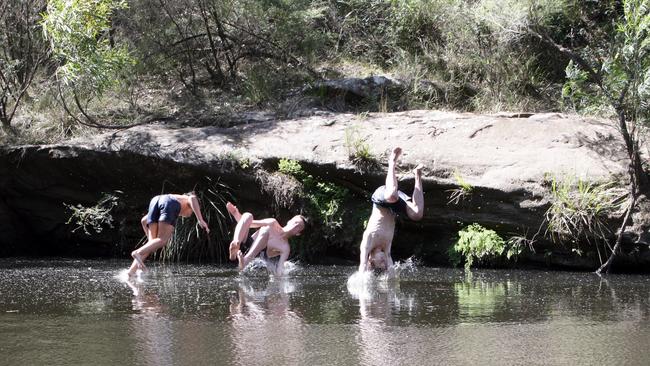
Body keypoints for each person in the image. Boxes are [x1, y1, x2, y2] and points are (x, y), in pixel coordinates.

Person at [359, 147, 424, 274]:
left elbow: (362, 266)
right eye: (384, 264)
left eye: (380, 263)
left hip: (381, 198)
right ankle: (418, 175)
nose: (384, 263)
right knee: (417, 214)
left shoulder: (367, 243)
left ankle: (391, 162)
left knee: (391, 196)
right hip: (393, 206)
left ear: (371, 261)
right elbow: (391, 269)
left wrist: (363, 278)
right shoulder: (386, 249)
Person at [127, 192, 209, 276]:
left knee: (150, 247)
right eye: (192, 212)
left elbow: (144, 220)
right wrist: (200, 219)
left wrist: (151, 241)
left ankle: (130, 272)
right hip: (170, 204)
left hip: (156, 200)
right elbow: (192, 198)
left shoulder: (174, 198)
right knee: (162, 240)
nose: (189, 215)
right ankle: (137, 252)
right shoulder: (187, 199)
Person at [226, 201, 306, 276]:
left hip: (255, 256)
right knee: (248, 215)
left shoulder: (285, 247)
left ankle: (245, 261)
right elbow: (249, 223)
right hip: (245, 245)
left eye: (299, 227)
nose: (295, 226)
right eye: (295, 222)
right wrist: (235, 213)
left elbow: (279, 271)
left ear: (298, 233)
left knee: (266, 230)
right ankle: (235, 245)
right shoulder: (272, 222)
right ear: (290, 221)